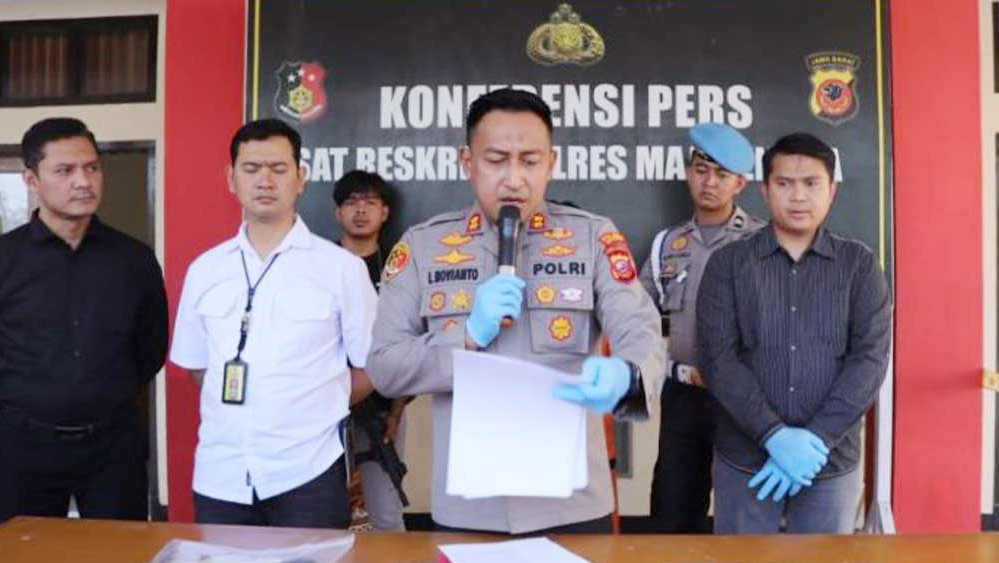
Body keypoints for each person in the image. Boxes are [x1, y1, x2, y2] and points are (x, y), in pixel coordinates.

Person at [366, 88, 663, 535]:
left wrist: (629, 373)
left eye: (530, 160)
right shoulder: (424, 247)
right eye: (496, 160)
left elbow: (639, 328)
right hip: (468, 511)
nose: (514, 179)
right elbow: (385, 367)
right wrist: (465, 335)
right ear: (467, 161)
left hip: (573, 508)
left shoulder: (592, 238)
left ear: (551, 163)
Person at [169, 119, 378, 528]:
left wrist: (315, 402)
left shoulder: (341, 269)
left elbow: (371, 366)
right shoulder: (205, 270)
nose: (265, 180)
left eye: (279, 169)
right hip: (221, 474)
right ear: (231, 178)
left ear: (301, 178)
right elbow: (198, 368)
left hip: (308, 473)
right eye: (251, 169)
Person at [696, 132, 892, 534]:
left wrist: (817, 438)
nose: (798, 196)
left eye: (811, 183)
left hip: (829, 462)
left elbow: (869, 360)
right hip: (745, 460)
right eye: (784, 183)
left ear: (832, 191)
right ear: (765, 191)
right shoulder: (728, 264)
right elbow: (718, 359)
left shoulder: (859, 265)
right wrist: (772, 435)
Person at [0, 117, 168, 523]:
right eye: (65, 170)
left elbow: (150, 350)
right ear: (31, 180)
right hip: (21, 446)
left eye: (92, 167)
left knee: (119, 548)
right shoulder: (5, 259)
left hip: (113, 447)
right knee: (24, 550)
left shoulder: (134, 259)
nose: (83, 181)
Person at [639, 123, 764, 533]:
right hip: (684, 396)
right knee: (673, 510)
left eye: (722, 174)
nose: (709, 182)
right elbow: (636, 316)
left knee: (745, 512)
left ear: (740, 183)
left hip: (745, 397)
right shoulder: (665, 245)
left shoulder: (763, 244)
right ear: (688, 172)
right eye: (701, 169)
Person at [332, 170, 410, 532]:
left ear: (385, 212)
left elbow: (410, 342)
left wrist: (396, 411)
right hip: (323, 409)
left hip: (382, 411)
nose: (360, 210)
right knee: (323, 514)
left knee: (386, 514)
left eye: (369, 202)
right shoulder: (320, 265)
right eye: (351, 202)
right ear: (337, 213)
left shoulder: (400, 269)